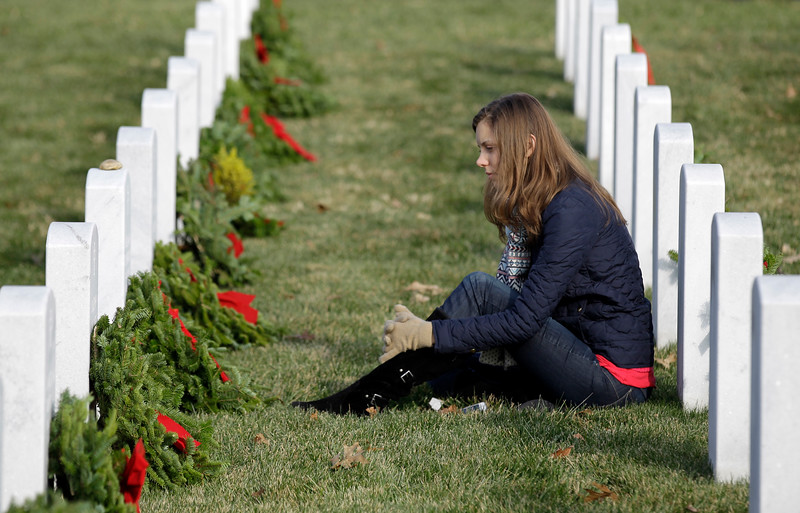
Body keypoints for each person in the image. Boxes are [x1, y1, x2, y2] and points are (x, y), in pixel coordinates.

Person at [292, 92, 655, 415]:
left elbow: (523, 321)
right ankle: (386, 382)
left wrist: (429, 333)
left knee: (481, 291)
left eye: (490, 148)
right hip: (581, 352)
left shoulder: (572, 208)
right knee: (445, 381)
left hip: (613, 383)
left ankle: (364, 396)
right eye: (481, 148)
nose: (481, 160)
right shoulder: (551, 198)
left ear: (528, 146)